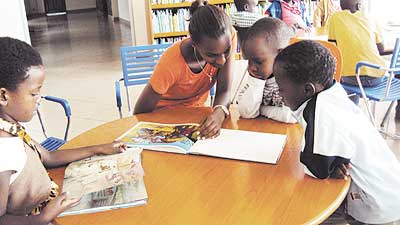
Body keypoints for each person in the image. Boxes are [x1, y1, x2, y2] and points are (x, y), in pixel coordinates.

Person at [0, 37, 142, 225]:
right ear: (3, 95)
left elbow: (48, 157)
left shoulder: (10, 127)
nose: (39, 99)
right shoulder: (4, 150)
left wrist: (98, 149)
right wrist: (40, 219)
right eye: (34, 93)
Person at [273, 40, 400, 225]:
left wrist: (327, 164)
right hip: (390, 190)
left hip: (378, 208)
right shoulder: (332, 92)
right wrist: (332, 162)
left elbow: (318, 169)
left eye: (281, 88)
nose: (279, 94)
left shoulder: (321, 112)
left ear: (308, 89)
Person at [134, 0, 237, 140]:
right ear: (194, 44)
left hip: (196, 116)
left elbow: (224, 89)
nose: (222, 61)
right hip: (164, 118)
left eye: (227, 51)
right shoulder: (170, 63)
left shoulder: (229, 36)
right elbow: (140, 112)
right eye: (212, 55)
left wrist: (219, 112)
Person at [236, 17, 296, 123]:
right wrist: (256, 82)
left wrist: (262, 110)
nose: (251, 67)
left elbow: (291, 116)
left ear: (280, 55)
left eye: (258, 61)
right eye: (248, 60)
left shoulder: (292, 78)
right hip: (263, 131)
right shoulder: (256, 75)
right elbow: (246, 112)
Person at [328, 0, 393, 91]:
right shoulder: (371, 18)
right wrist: (395, 50)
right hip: (377, 77)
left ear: (341, 6)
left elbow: (333, 49)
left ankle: (351, 104)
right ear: (359, 6)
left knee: (336, 79)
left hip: (350, 78)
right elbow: (381, 50)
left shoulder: (335, 18)